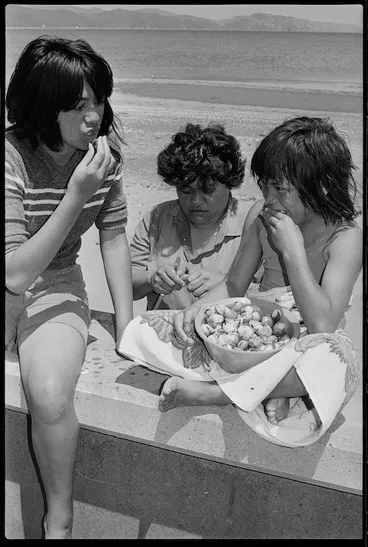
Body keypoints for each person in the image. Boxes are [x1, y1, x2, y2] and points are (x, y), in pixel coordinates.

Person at [118, 116, 361, 447]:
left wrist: (293, 252)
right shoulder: (260, 216)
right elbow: (233, 287)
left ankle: (219, 393)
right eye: (264, 187)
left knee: (339, 361)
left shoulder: (345, 238)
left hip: (308, 341)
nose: (269, 200)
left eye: (280, 189)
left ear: (319, 187)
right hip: (255, 335)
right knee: (148, 330)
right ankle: (273, 388)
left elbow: (323, 324)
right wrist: (197, 310)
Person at [5, 36, 133, 539]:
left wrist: (126, 327)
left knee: (52, 393)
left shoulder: (104, 159)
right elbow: (14, 272)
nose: (94, 116)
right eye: (78, 105)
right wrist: (75, 194)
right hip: (15, 275)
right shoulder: (11, 156)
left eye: (98, 100)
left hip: (57, 281)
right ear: (42, 106)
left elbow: (115, 237)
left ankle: (59, 517)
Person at [130, 122, 251, 311]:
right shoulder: (156, 219)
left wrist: (231, 286)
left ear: (230, 183)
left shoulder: (254, 225)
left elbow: (280, 294)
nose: (196, 201)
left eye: (207, 190)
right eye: (186, 190)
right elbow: (126, 285)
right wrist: (151, 279)